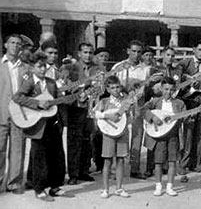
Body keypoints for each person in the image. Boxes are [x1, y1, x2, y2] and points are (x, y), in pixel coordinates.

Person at [12, 52, 72, 201]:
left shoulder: (51, 82)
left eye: (44, 66)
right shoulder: (30, 82)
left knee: (57, 155)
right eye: (39, 66)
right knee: (39, 158)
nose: (42, 69)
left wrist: (75, 97)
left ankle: (55, 186)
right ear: (32, 68)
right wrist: (37, 103)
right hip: (37, 125)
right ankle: (39, 189)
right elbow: (17, 97)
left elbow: (59, 98)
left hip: (52, 124)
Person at [112, 40, 153, 179]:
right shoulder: (119, 67)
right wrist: (125, 88)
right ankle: (115, 170)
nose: (136, 54)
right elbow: (112, 86)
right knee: (118, 132)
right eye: (133, 51)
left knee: (137, 135)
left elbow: (145, 88)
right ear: (128, 50)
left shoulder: (145, 69)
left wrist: (139, 91)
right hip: (122, 103)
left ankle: (134, 168)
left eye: (139, 52)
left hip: (137, 104)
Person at [61, 42, 100, 184]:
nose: (88, 55)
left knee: (87, 140)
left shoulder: (97, 69)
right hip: (75, 108)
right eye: (85, 52)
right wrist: (81, 87)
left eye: (90, 52)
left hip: (90, 108)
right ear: (79, 53)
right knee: (74, 142)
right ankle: (73, 174)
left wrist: (92, 91)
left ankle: (84, 170)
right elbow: (65, 87)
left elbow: (100, 89)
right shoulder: (70, 68)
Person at [142, 77, 185, 196]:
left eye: (171, 90)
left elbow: (184, 118)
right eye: (166, 89)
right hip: (159, 136)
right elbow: (144, 109)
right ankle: (158, 186)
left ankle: (170, 186)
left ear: (175, 90)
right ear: (161, 89)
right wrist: (153, 117)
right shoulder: (155, 101)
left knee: (172, 161)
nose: (168, 92)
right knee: (158, 162)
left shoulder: (179, 103)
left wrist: (187, 116)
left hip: (173, 136)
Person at [0, 34, 31, 194]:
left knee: (18, 149)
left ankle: (14, 183)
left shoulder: (26, 68)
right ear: (6, 45)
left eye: (18, 44)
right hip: (1, 113)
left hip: (19, 114)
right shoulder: (0, 65)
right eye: (12, 42)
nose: (15, 46)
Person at [178, 40, 201, 172]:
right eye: (199, 49)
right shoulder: (185, 63)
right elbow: (179, 79)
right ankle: (183, 163)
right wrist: (191, 81)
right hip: (189, 100)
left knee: (200, 132)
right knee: (188, 133)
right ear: (193, 49)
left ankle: (196, 162)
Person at [92, 75, 130, 199]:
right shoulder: (104, 101)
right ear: (108, 89)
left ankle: (119, 188)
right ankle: (105, 189)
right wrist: (107, 116)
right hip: (108, 133)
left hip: (122, 131)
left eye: (118, 87)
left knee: (120, 160)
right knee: (107, 160)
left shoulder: (126, 100)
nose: (116, 90)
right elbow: (94, 113)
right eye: (112, 88)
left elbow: (130, 112)